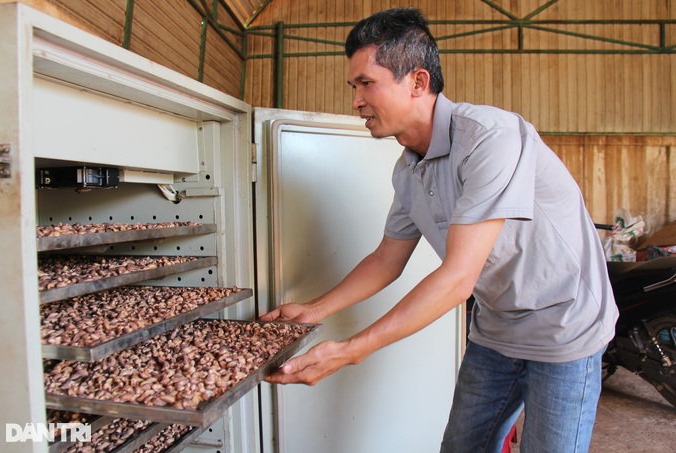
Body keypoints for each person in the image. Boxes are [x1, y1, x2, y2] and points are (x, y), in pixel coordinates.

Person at [261, 7, 618, 453]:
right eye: (353, 87)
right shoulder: (408, 171)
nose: (355, 101)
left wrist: (351, 349)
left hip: (564, 328)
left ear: (417, 82)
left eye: (366, 84)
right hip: (497, 331)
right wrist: (315, 310)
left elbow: (457, 279)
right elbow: (385, 260)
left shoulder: (491, 138)